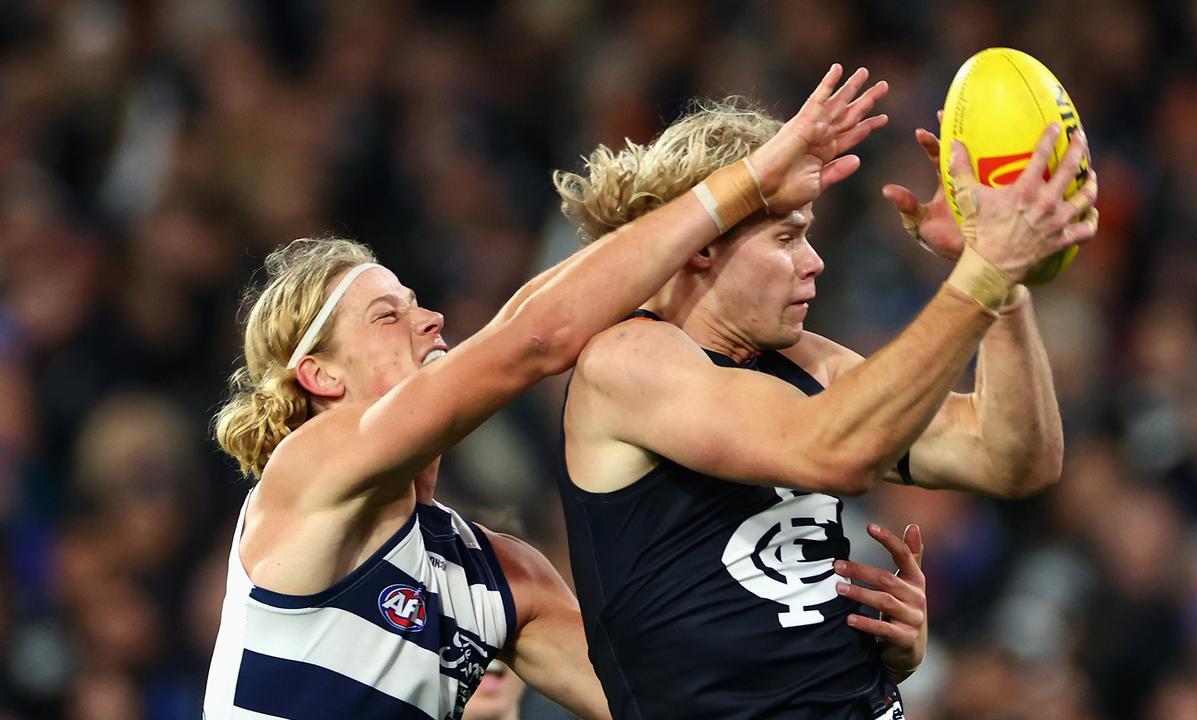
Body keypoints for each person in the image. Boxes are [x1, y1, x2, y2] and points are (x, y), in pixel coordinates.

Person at [202, 64, 886, 719]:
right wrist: (744, 185)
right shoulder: (306, 474)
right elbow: (533, 341)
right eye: (388, 315)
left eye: (418, 302)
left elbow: (666, 700)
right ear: (321, 376)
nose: (431, 319)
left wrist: (880, 658)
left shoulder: (498, 578)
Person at [553, 92, 1099, 719]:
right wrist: (980, 276)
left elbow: (1012, 459)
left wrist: (1000, 282)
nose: (814, 262)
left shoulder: (805, 361)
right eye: (787, 237)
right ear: (702, 245)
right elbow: (834, 451)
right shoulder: (626, 361)